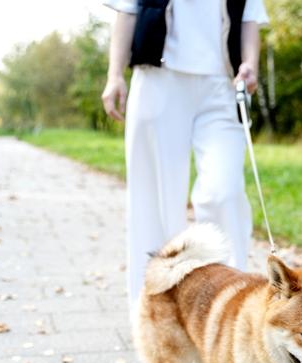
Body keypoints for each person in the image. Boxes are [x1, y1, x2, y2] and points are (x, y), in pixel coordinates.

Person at [101, 0, 269, 313]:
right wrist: (115, 75)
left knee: (224, 193)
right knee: (156, 201)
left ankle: (231, 305)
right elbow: (128, 10)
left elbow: (250, 17)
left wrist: (250, 64)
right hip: (157, 79)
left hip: (222, 83)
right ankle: (154, 311)